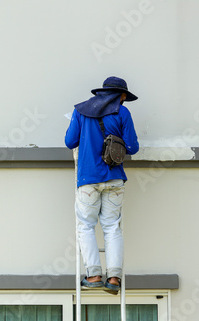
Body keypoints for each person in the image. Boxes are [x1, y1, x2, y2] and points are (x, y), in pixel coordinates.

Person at [64, 76, 139, 291]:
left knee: (86, 226)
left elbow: (70, 142)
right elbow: (133, 147)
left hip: (88, 179)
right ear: (120, 95)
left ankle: (94, 276)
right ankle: (114, 279)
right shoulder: (123, 112)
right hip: (115, 178)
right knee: (112, 227)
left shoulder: (80, 111)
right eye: (124, 96)